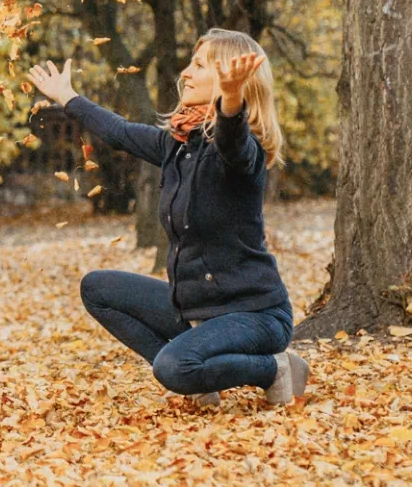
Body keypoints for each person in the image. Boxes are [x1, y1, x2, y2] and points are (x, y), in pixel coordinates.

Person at [26, 28, 308, 407]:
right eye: (190, 63)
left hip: (255, 316)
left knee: (173, 369)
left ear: (233, 81)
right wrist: (67, 97)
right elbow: (121, 133)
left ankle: (273, 369)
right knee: (97, 289)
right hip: (196, 311)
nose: (186, 73)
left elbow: (231, 141)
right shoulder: (178, 146)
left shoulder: (244, 154)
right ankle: (204, 375)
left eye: (199, 65)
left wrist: (231, 100)